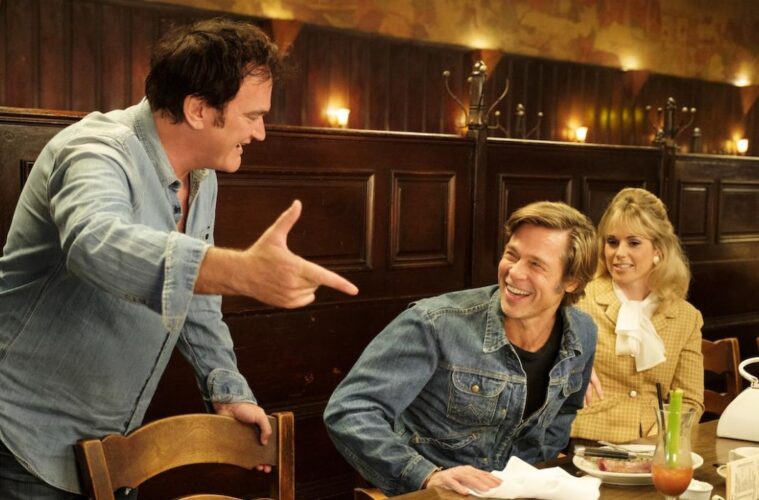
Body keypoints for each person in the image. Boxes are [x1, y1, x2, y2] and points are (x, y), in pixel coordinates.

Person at [0, 18, 358, 499]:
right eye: (252, 115)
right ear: (198, 109)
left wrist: (227, 391)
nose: (261, 132)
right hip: (21, 437)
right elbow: (95, 243)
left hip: (108, 447)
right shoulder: (95, 148)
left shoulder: (203, 177)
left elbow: (196, 299)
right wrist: (238, 271)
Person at [324, 201, 598, 496]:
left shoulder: (582, 332)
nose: (514, 272)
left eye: (536, 264)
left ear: (571, 281)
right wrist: (426, 476)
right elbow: (350, 409)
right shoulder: (434, 324)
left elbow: (563, 413)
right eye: (511, 255)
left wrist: (537, 475)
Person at [571, 188, 704, 443]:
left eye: (633, 243)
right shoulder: (578, 301)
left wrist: (660, 438)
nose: (619, 253)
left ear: (658, 250)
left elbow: (690, 399)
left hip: (654, 445)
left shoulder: (687, 317)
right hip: (586, 442)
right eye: (612, 242)